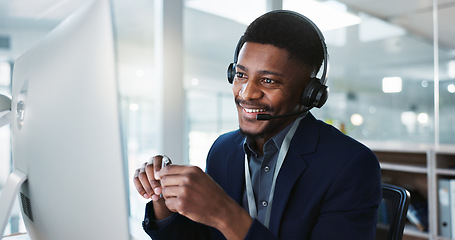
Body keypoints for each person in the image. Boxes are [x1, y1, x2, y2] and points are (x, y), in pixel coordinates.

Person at [133, 10, 381, 240]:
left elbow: (223, 219)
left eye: (268, 80)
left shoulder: (350, 165)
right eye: (241, 75)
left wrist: (224, 213)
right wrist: (163, 202)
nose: (247, 93)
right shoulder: (223, 149)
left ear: (309, 94)